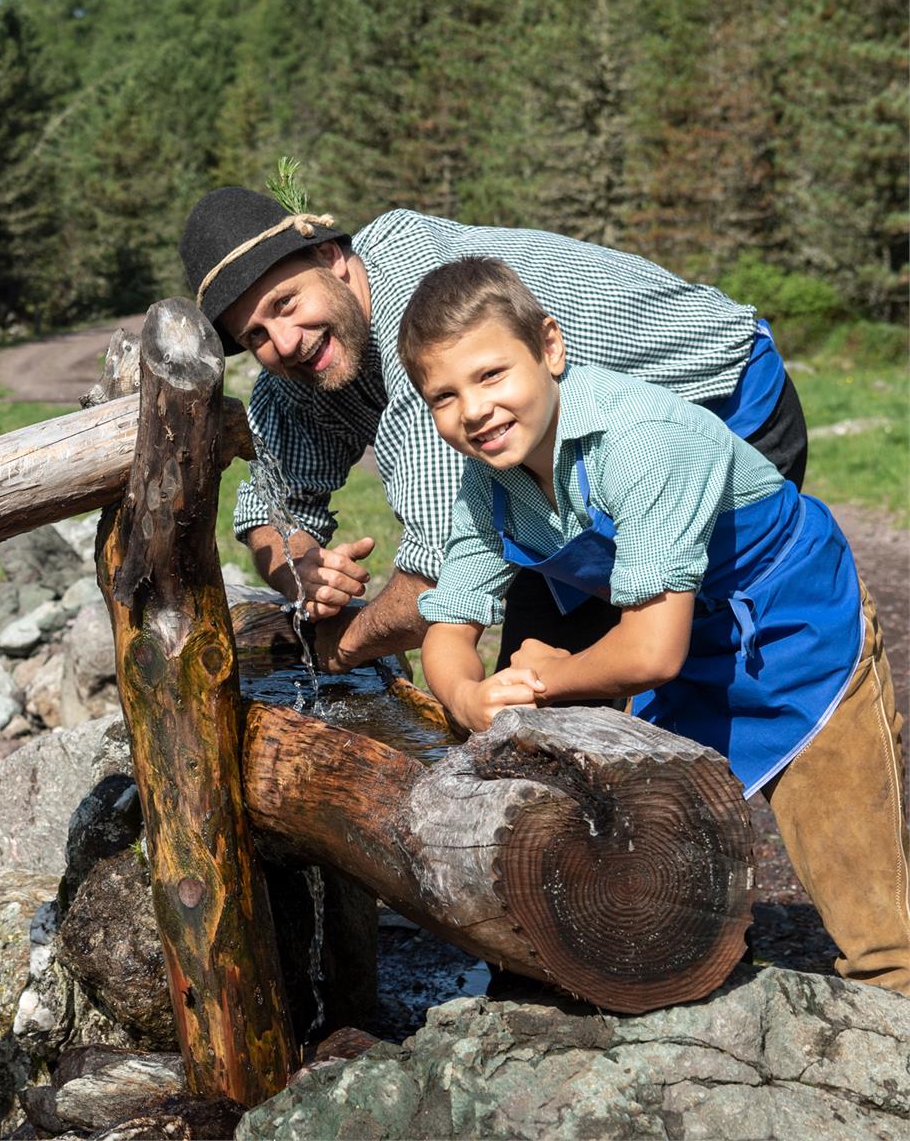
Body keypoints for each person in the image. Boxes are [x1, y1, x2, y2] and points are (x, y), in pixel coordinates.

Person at [397, 255, 907, 994]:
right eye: (442, 397)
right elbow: (448, 624)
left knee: (876, 930)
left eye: (491, 375)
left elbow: (651, 650)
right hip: (690, 646)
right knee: (659, 890)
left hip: (797, 634)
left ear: (550, 347)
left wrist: (546, 676)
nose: (473, 410)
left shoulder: (641, 438)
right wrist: (469, 697)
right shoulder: (487, 481)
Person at [179, 186, 806, 675]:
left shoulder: (422, 328)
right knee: (539, 718)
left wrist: (340, 645)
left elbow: (437, 567)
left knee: (718, 666)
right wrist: (303, 571)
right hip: (557, 468)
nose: (283, 342)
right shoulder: (301, 365)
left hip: (718, 403)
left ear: (331, 258)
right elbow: (267, 507)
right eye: (255, 334)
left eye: (285, 304)